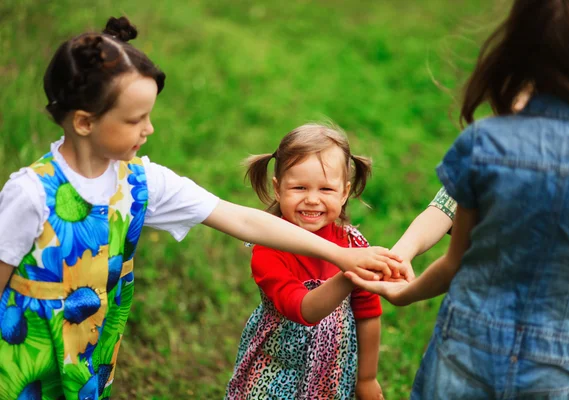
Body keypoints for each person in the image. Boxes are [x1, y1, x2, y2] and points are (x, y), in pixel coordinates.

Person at [0, 18, 401, 400]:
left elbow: (241, 218)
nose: (149, 129)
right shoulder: (33, 193)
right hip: (25, 351)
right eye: (135, 119)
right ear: (85, 122)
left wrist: (341, 254)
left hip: (92, 346)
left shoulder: (141, 181)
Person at [346, 0, 569, 397]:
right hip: (565, 363)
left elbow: (455, 262)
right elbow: (440, 211)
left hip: (464, 351)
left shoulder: (485, 143)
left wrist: (404, 293)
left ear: (519, 49)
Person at [226, 123, 403, 400]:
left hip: (332, 372)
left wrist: (367, 378)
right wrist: (348, 275)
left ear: (344, 193)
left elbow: (368, 314)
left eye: (326, 189)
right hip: (276, 369)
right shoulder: (269, 249)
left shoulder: (354, 245)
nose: (311, 199)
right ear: (278, 188)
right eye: (299, 187)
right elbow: (303, 310)